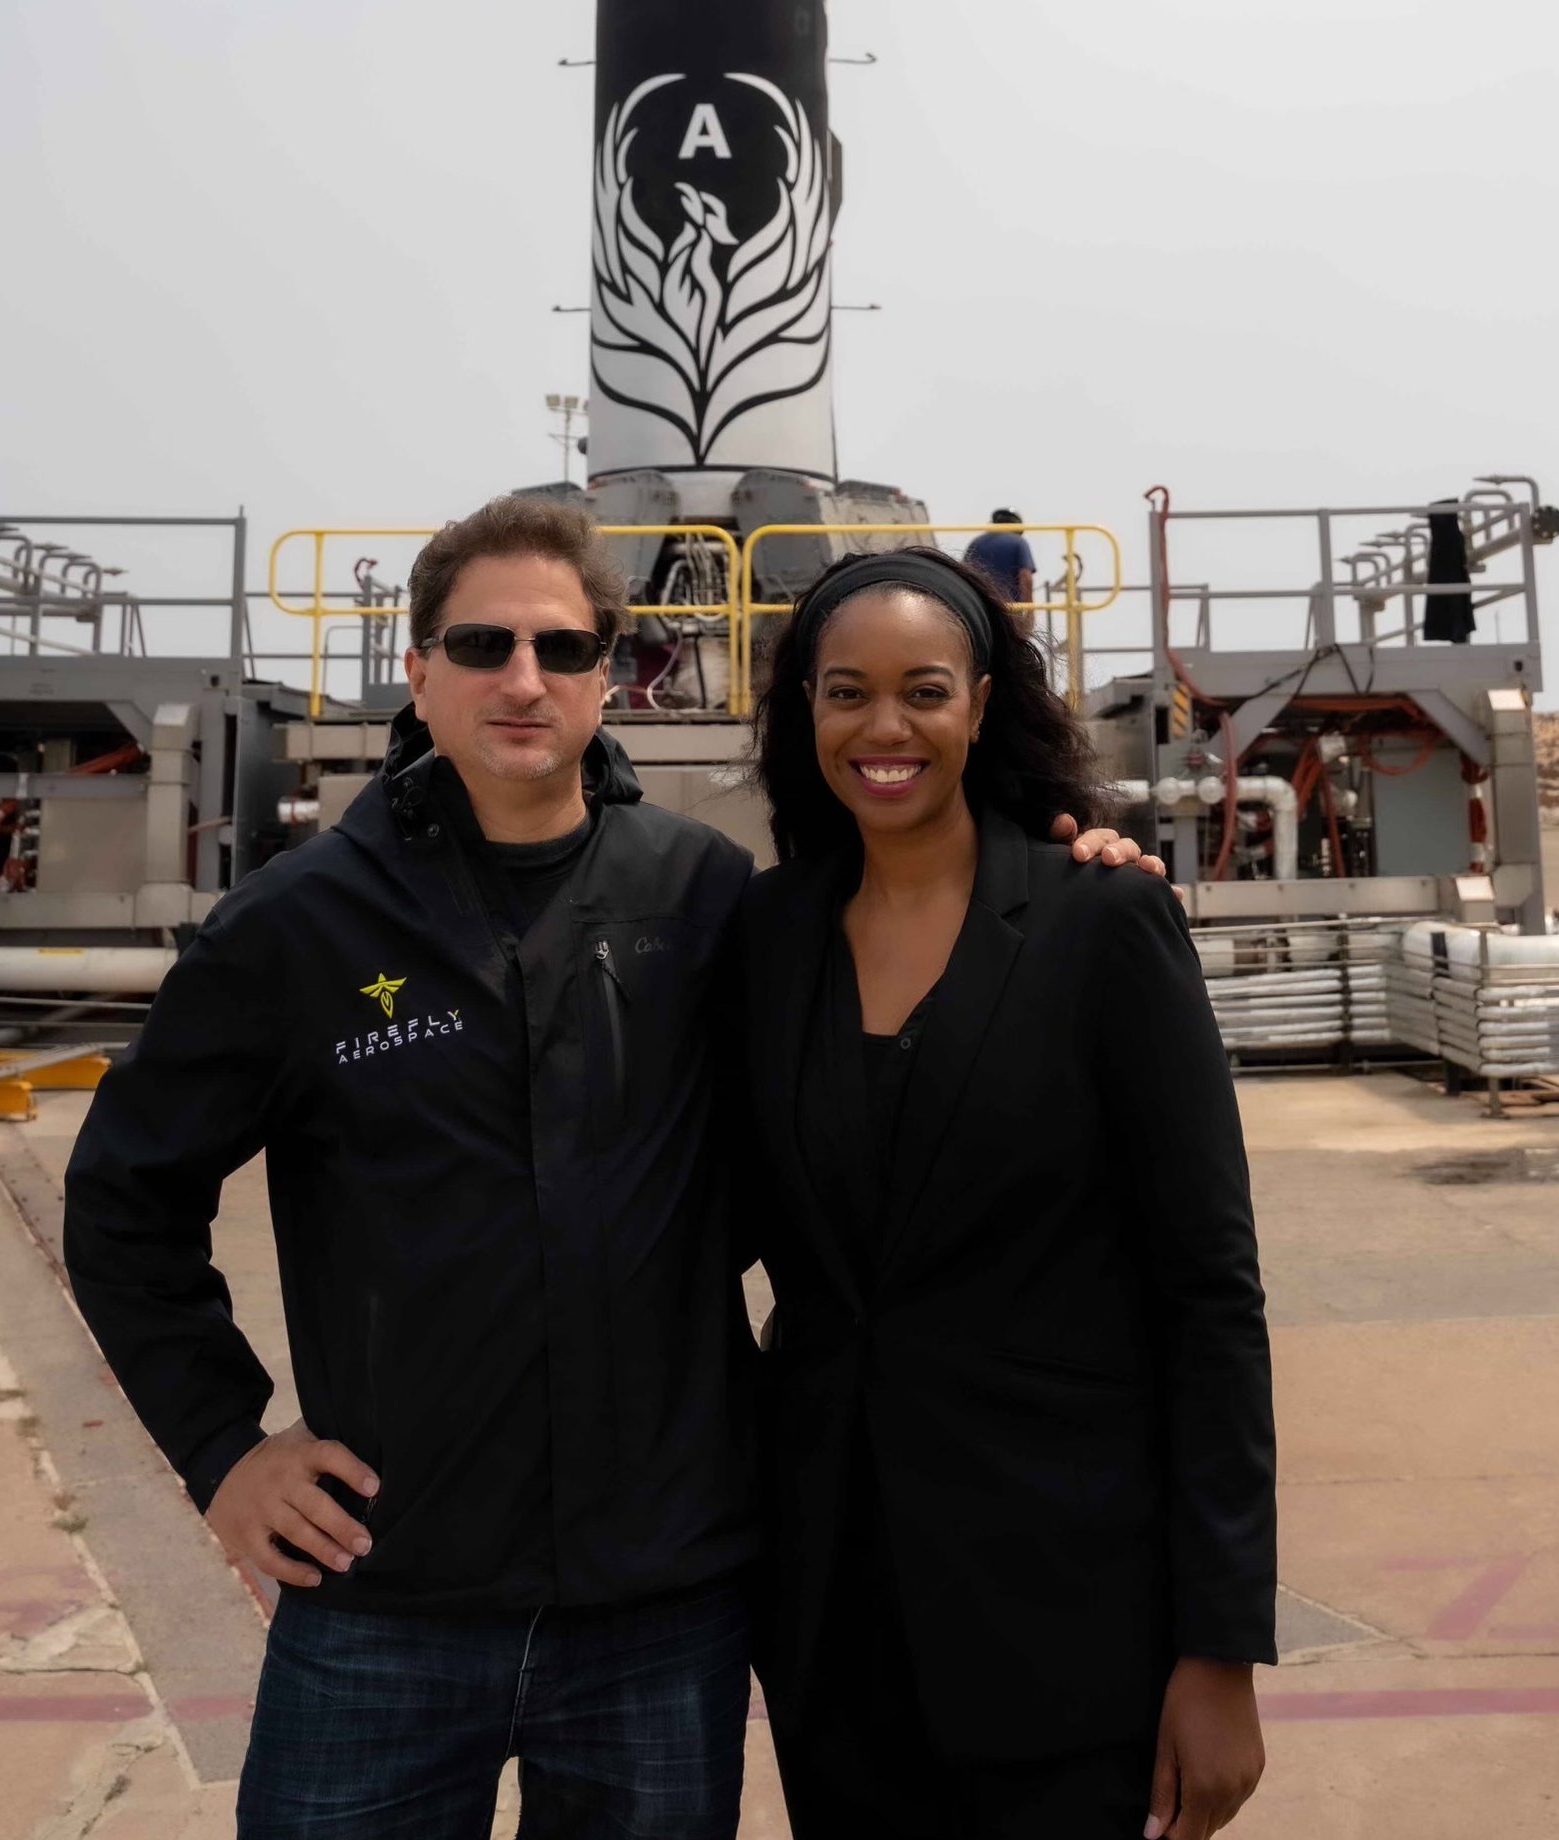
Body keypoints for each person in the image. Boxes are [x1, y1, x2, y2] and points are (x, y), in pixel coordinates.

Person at [62, 497, 1161, 1840]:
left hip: (658, 1616)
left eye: (561, 649)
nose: (522, 680)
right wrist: (225, 1448)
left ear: (609, 674)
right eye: (480, 645)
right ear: (417, 673)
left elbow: (905, 955)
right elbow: (125, 1201)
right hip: (389, 1607)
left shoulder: (704, 901)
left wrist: (1060, 864)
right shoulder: (294, 928)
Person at [740, 547, 1276, 1840]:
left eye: (922, 689)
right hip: (831, 1635)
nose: (884, 727)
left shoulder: (1100, 926)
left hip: (1069, 1632)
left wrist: (1218, 1650)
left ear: (979, 705)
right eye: (843, 692)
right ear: (801, 713)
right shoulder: (762, 942)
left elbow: (1208, 1296)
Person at [963, 507, 1036, 606]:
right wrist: (1029, 610)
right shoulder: (1019, 542)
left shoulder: (977, 542)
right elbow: (1026, 577)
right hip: (1010, 609)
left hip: (982, 607)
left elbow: (964, 574)